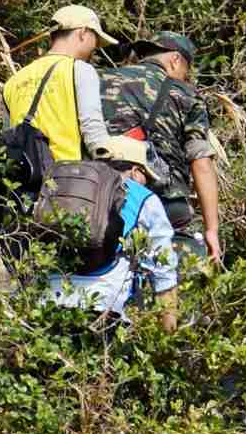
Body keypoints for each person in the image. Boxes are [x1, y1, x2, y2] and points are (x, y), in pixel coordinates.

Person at [100, 31, 226, 267]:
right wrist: (212, 229)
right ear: (175, 59)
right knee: (175, 276)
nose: (186, 76)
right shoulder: (186, 95)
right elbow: (201, 162)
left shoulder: (101, 79)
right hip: (164, 202)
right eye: (187, 69)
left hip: (103, 197)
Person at [43, 133, 181, 327]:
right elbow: (164, 274)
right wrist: (168, 337)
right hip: (102, 310)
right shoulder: (142, 197)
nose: (147, 184)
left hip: (46, 303)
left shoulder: (65, 188)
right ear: (135, 171)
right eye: (146, 178)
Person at [1, 4, 119, 164]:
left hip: (25, 175)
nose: (95, 48)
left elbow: (8, 135)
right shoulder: (79, 69)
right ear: (83, 32)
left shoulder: (13, 81)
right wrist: (111, 161)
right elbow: (93, 129)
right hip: (69, 173)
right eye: (96, 40)